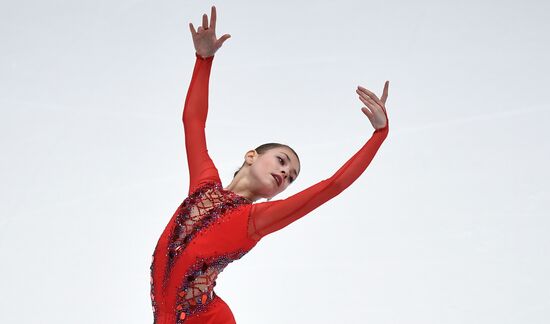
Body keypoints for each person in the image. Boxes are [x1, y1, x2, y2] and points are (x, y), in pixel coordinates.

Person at [150, 5, 391, 324]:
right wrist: (204, 60)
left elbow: (332, 186)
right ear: (251, 155)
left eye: (290, 177)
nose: (284, 174)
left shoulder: (256, 220)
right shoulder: (203, 184)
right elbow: (193, 121)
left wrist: (379, 134)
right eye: (282, 161)